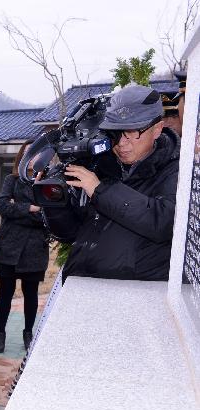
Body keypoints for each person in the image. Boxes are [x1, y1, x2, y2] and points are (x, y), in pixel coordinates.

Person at [44, 84, 179, 282]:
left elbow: (163, 222)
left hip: (134, 297)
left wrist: (100, 190)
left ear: (157, 129)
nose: (122, 143)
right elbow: (69, 233)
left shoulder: (177, 169)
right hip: (80, 287)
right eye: (115, 132)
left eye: (132, 131)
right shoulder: (101, 165)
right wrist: (54, 200)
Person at [0, 143, 49, 353]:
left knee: (31, 294)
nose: (32, 157)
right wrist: (31, 208)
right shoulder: (12, 180)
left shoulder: (47, 183)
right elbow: (3, 206)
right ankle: (0, 333)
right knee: (5, 294)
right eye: (28, 153)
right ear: (22, 157)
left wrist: (19, 209)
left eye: (36, 153)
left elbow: (47, 216)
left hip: (35, 248)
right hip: (10, 246)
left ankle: (28, 332)